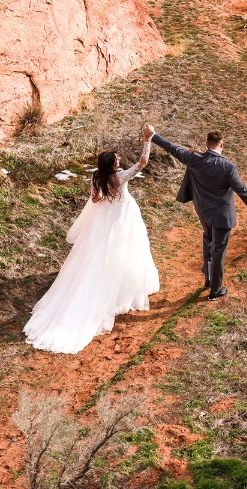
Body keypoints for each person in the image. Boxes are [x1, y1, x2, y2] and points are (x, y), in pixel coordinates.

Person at [23, 124, 159, 354]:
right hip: (122, 218)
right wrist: (148, 139)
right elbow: (142, 163)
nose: (119, 159)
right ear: (113, 165)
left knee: (98, 254)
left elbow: (95, 201)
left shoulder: (97, 177)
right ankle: (121, 286)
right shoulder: (120, 177)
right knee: (127, 250)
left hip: (103, 220)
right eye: (116, 158)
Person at [149, 126, 247, 300]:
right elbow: (243, 191)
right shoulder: (228, 167)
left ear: (207, 144)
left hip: (203, 212)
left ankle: (209, 278)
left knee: (208, 241)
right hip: (222, 217)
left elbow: (173, 148)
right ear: (222, 145)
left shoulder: (194, 159)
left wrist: (153, 136)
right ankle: (215, 290)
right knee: (219, 250)